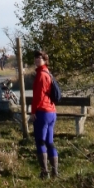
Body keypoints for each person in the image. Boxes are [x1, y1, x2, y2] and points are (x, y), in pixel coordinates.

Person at [30, 50, 58, 178]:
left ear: (45, 60)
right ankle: (55, 171)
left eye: (39, 58)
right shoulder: (48, 73)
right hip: (52, 111)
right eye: (35, 58)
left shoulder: (41, 75)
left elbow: (38, 96)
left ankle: (44, 172)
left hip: (42, 112)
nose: (37, 60)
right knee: (49, 142)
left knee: (40, 142)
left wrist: (33, 111)